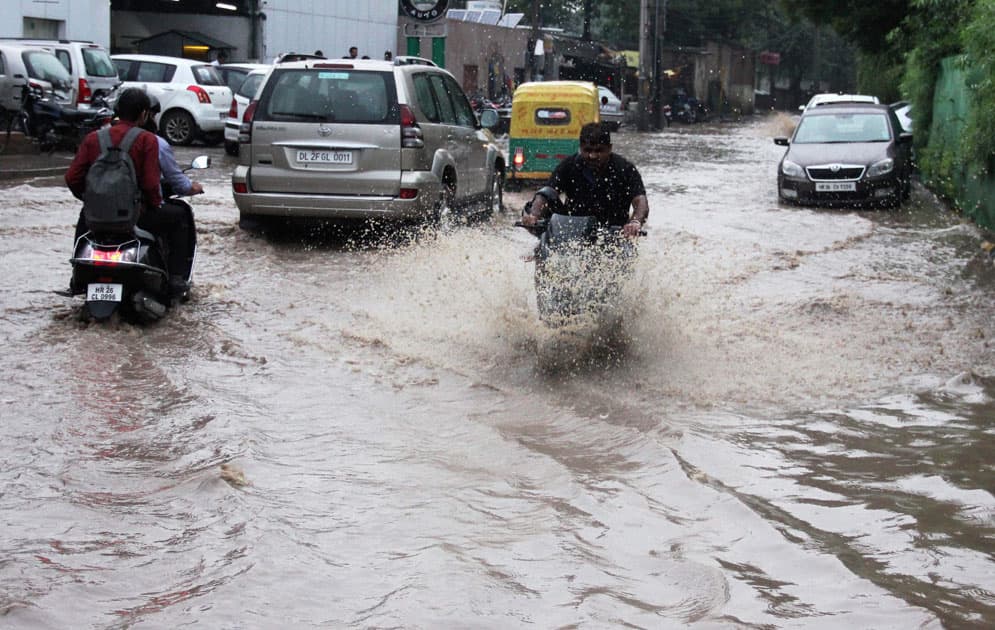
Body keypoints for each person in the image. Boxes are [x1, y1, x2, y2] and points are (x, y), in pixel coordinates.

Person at [65, 88, 189, 295]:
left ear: (117, 111)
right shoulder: (147, 140)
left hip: (95, 219)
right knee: (180, 217)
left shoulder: (93, 138)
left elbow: (72, 178)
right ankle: (176, 279)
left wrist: (90, 200)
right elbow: (150, 185)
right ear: (143, 114)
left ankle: (76, 275)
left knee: (83, 218)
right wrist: (154, 204)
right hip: (136, 217)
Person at [521, 122, 648, 238]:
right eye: (587, 150)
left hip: (614, 233)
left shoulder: (625, 169)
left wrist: (635, 222)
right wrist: (534, 216)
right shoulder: (569, 166)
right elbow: (547, 193)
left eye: (599, 151)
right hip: (572, 232)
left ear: (609, 148)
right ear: (581, 148)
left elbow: (640, 201)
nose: (592, 156)